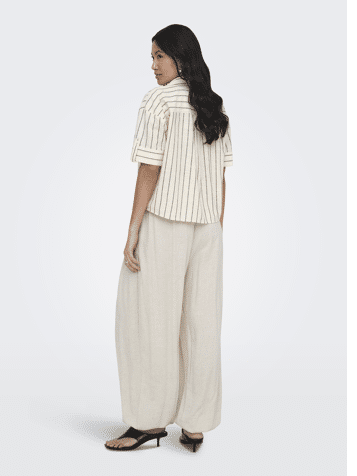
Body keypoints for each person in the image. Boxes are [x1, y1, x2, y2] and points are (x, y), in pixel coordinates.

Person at [105, 24, 233, 452]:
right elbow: (221, 176)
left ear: (181, 57)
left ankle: (147, 422)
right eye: (153, 56)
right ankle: (194, 424)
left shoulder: (158, 101)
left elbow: (149, 169)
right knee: (201, 323)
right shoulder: (213, 106)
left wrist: (133, 231)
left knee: (148, 321)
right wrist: (217, 227)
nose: (154, 65)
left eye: (159, 55)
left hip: (165, 224)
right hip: (208, 228)